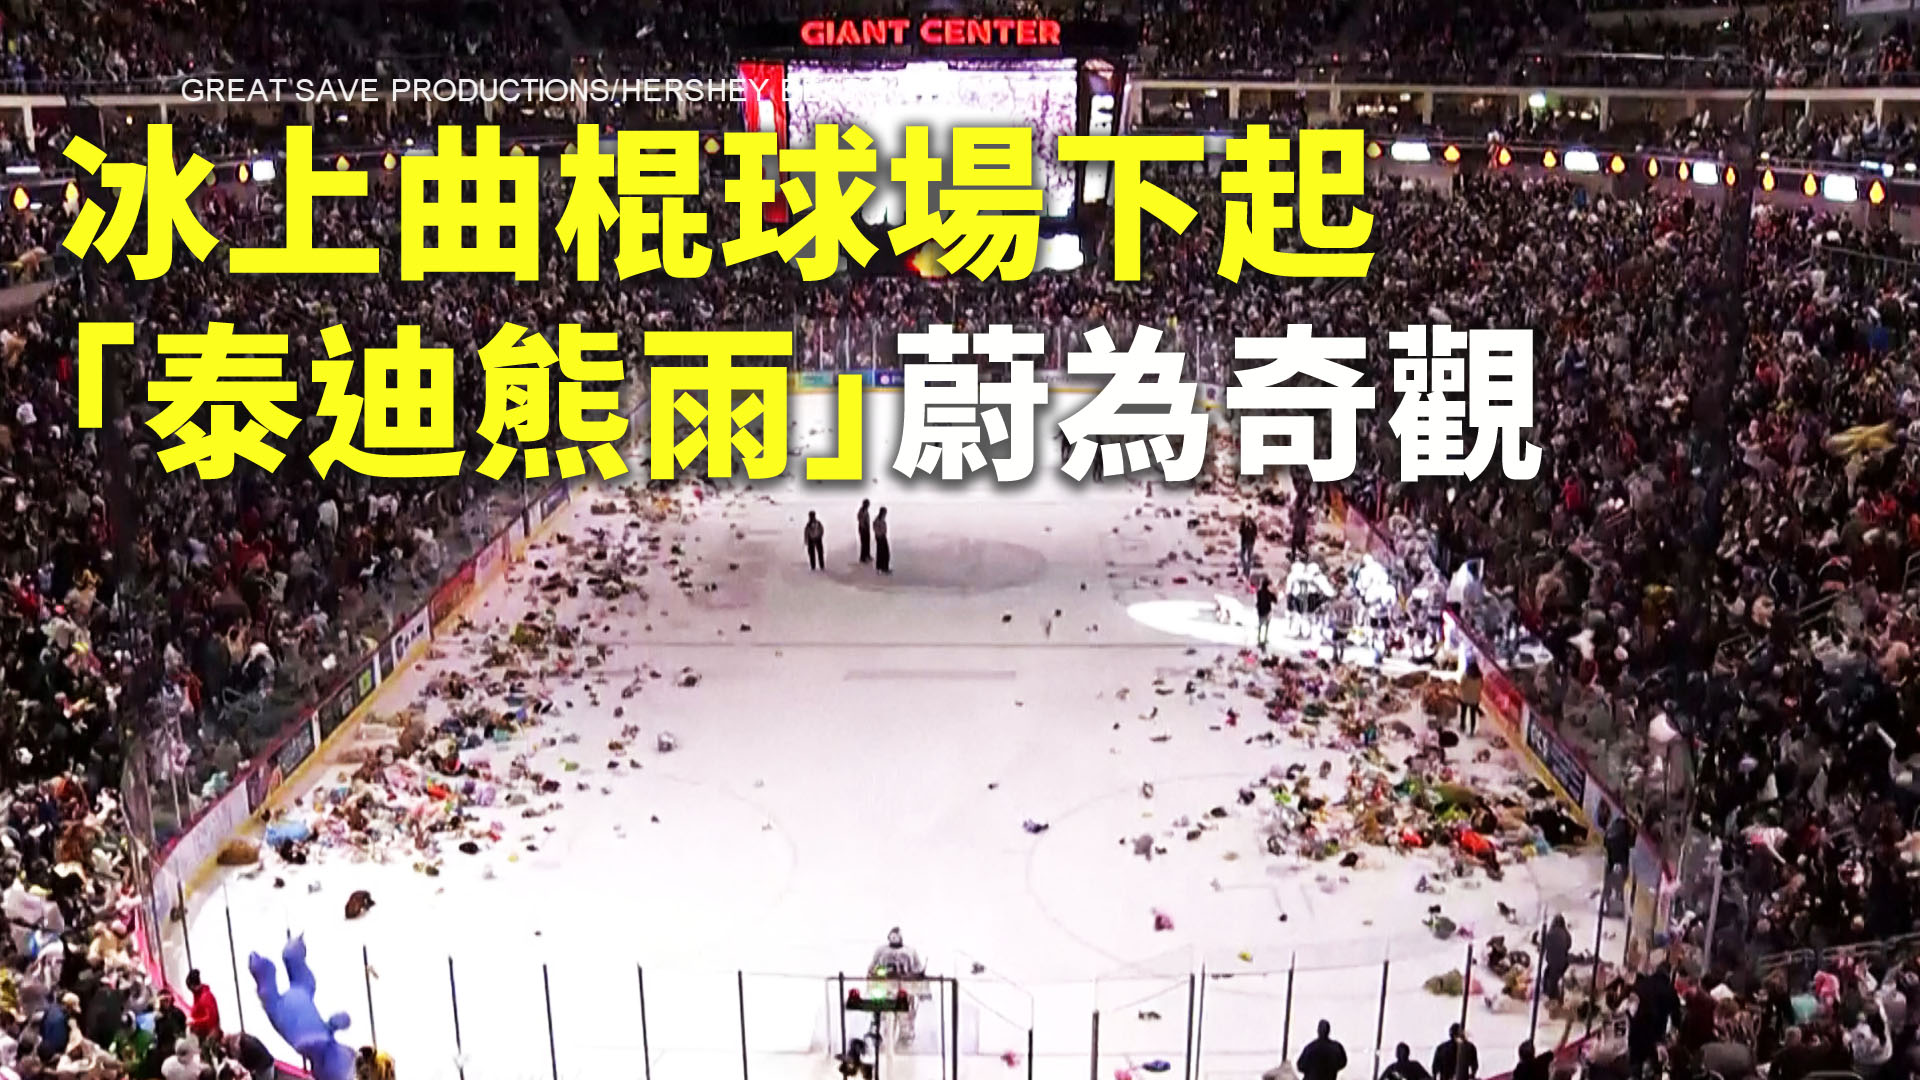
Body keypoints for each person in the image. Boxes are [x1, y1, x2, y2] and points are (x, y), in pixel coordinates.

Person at [1541, 914, 1572, 1003]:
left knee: (1548, 975)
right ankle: (1557, 996)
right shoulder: (1566, 933)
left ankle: (1549, 994)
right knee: (1558, 977)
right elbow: (1569, 945)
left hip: (1551, 961)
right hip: (1563, 962)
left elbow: (1544, 945)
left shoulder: (1550, 933)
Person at [186, 970, 220, 1041]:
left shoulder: (206, 996)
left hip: (208, 1035)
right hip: (202, 1033)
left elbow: (210, 1019)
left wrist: (194, 1022)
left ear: (192, 986)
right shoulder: (197, 996)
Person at [1456, 661, 1482, 737]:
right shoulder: (1480, 676)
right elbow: (1480, 687)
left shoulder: (1465, 675)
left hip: (1465, 697)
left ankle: (1462, 726)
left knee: (1463, 713)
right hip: (1475, 699)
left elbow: (1461, 685)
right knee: (1473, 716)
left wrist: (1458, 693)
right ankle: (1472, 731)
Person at [1256, 577, 1277, 650]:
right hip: (1267, 611)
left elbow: (1258, 601)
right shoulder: (1269, 593)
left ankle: (1259, 639)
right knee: (1266, 625)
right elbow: (1275, 600)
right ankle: (1264, 638)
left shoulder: (1259, 592)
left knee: (1260, 625)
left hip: (1260, 611)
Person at [873, 508, 891, 574]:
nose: (886, 514)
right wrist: (880, 535)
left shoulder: (882, 519)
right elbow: (876, 529)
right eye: (885, 513)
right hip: (880, 538)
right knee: (883, 553)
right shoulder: (877, 520)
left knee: (884, 553)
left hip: (883, 537)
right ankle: (883, 568)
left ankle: (883, 567)